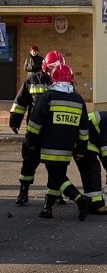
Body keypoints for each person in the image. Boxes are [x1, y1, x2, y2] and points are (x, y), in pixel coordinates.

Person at [24, 64, 92, 220]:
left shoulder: (48, 96)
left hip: (49, 146)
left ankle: (80, 200)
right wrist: (81, 149)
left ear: (54, 78)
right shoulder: (78, 99)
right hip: (67, 149)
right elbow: (83, 129)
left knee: (57, 177)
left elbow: (35, 123)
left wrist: (31, 141)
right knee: (56, 175)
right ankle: (47, 208)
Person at [11, 50, 65, 205]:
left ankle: (56, 194)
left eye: (57, 68)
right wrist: (15, 121)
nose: (54, 72)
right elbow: (20, 101)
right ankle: (23, 192)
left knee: (55, 166)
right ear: (44, 67)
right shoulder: (32, 80)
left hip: (54, 133)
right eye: (52, 68)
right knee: (28, 163)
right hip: (35, 130)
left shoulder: (64, 83)